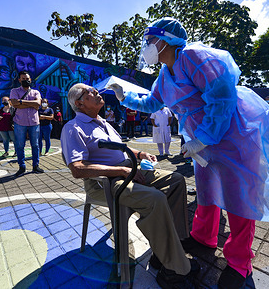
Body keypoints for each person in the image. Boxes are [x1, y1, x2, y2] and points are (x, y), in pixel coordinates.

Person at [108, 17, 269, 288]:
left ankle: (239, 261)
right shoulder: (164, 75)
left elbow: (222, 97)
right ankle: (203, 237)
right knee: (207, 190)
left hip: (232, 136)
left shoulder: (193, 57)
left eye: (151, 39)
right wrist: (123, 96)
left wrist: (203, 137)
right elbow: (153, 102)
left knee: (240, 198)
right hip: (203, 142)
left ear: (166, 39)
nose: (148, 45)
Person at [61, 83, 199, 288]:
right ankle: (173, 270)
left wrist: (140, 154)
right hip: (106, 182)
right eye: (89, 92)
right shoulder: (73, 128)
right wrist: (121, 171)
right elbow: (78, 168)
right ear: (79, 103)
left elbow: (122, 149)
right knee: (155, 199)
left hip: (128, 170)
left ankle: (169, 249)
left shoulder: (104, 123)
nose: (96, 92)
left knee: (176, 181)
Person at [10, 70, 44, 176]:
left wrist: (21, 102)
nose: (26, 80)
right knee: (20, 145)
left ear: (30, 79)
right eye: (23, 79)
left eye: (27, 79)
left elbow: (38, 103)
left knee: (35, 145)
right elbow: (14, 104)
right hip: (20, 122)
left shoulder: (36, 92)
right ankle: (22, 166)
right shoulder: (14, 91)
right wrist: (31, 104)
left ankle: (36, 166)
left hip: (34, 122)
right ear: (19, 80)